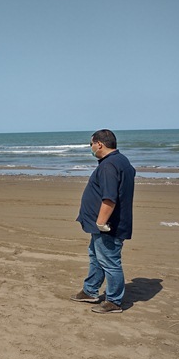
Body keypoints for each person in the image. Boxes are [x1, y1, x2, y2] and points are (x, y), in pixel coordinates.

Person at [70, 129, 136, 314]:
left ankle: (114, 301)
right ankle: (90, 290)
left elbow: (110, 198)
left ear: (99, 144)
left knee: (109, 260)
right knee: (96, 255)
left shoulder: (109, 165)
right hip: (104, 225)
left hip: (109, 226)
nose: (90, 148)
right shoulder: (120, 160)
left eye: (91, 144)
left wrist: (101, 222)